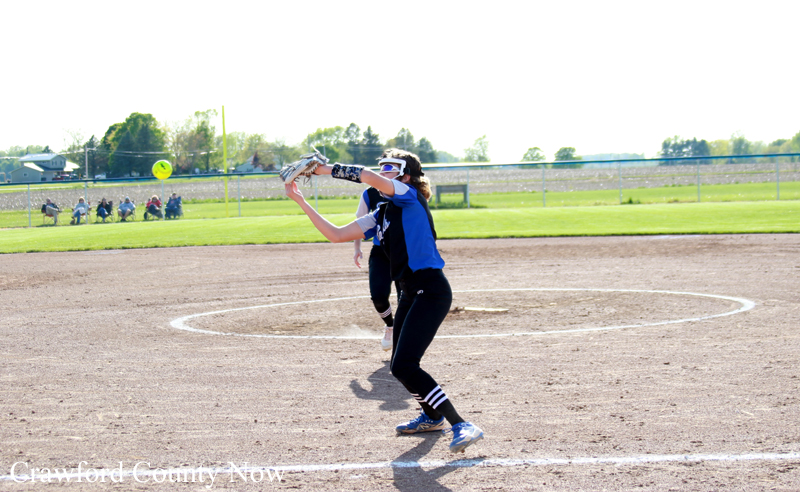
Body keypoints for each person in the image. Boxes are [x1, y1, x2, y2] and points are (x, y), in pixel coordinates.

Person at [284, 149, 484, 454]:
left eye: (390, 168)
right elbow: (336, 234)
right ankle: (432, 417)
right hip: (409, 292)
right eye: (383, 167)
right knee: (399, 367)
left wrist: (323, 169)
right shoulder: (382, 213)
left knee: (405, 364)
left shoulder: (409, 194)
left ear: (406, 176)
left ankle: (461, 424)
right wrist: (300, 200)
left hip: (431, 290)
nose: (383, 172)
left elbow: (366, 176)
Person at [354, 184, 400, 352]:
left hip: (404, 252)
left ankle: (403, 335)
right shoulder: (370, 193)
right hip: (381, 252)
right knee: (378, 297)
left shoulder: (405, 189)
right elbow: (359, 222)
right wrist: (357, 248)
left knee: (406, 298)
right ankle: (390, 326)